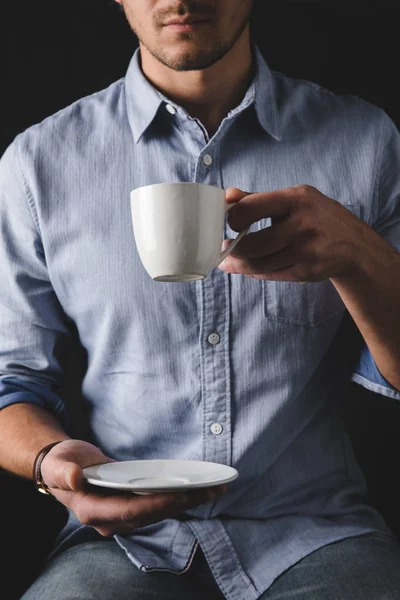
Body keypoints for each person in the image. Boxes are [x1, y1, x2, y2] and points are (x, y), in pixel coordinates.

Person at [1, 0, 400, 598]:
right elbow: (10, 380)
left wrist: (359, 257)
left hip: (320, 534)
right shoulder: (38, 164)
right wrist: (49, 461)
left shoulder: (366, 141)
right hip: (124, 546)